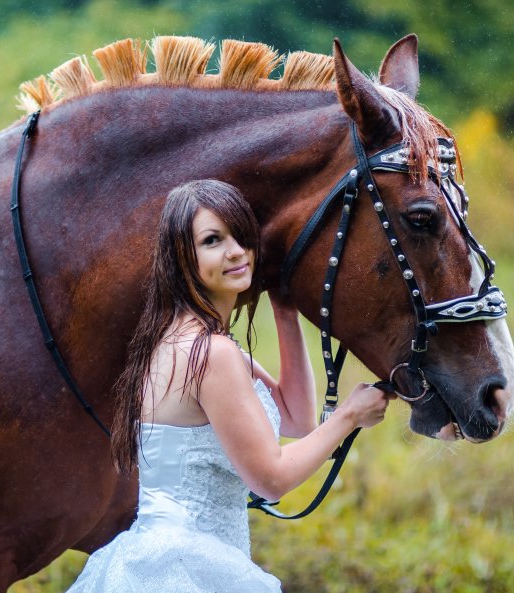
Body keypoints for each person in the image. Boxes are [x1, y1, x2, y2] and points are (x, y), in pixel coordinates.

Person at [67, 179, 392, 593]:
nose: (236, 251)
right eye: (213, 240)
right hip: (187, 569)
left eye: (240, 236)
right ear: (182, 257)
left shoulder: (183, 338)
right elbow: (270, 480)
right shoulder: (211, 353)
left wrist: (285, 312)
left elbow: (296, 417)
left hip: (164, 561)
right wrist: (349, 416)